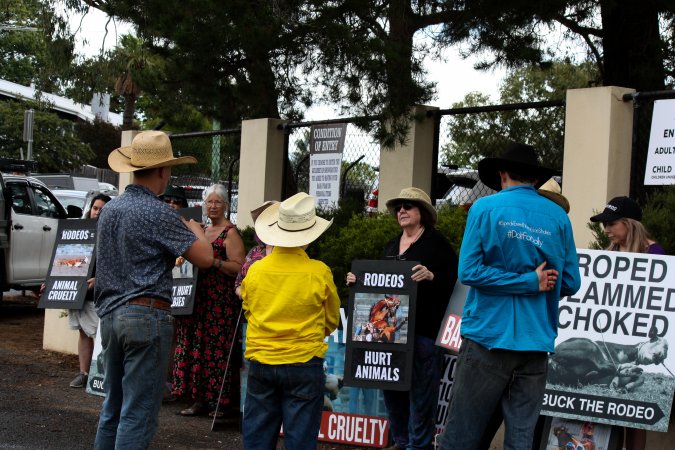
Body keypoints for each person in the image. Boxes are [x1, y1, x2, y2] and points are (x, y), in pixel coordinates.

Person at [439, 142, 581, 450]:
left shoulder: (484, 208)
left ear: (502, 174)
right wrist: (537, 282)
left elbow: (470, 273)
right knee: (520, 439)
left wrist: (528, 281)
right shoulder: (558, 218)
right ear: (534, 179)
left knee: (461, 434)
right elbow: (570, 282)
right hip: (535, 343)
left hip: (488, 338)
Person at [93, 130, 214, 450]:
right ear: (163, 171)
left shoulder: (109, 210)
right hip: (146, 314)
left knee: (113, 408)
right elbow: (205, 258)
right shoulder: (160, 213)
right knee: (138, 412)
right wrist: (193, 228)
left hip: (110, 315)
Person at [347, 186, 458, 450]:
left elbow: (454, 282)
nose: (402, 211)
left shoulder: (437, 244)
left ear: (422, 213)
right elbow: (379, 285)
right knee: (391, 386)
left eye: (408, 206)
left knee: (421, 394)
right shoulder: (391, 244)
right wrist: (357, 281)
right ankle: (401, 441)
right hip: (391, 336)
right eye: (399, 208)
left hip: (424, 332)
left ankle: (419, 445)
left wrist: (432, 276)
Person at [240, 192, 340, 450]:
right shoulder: (319, 272)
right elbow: (331, 320)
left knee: (258, 438)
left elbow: (249, 311)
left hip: (262, 361)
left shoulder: (256, 270)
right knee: (300, 440)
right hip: (304, 362)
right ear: (308, 237)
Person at [590, 196, 665, 450]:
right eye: (604, 225)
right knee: (609, 418)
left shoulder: (654, 252)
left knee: (635, 416)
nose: (606, 230)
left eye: (612, 224)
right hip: (613, 340)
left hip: (637, 337)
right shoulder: (608, 255)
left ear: (629, 224)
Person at [172, 184, 245, 417]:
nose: (213, 206)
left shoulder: (230, 233)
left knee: (218, 350)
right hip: (196, 299)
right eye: (209, 202)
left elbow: (239, 268)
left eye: (218, 202)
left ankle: (221, 402)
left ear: (226, 206)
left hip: (219, 302)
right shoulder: (201, 230)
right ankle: (198, 399)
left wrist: (213, 262)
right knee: (196, 348)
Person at [67, 193, 112, 389]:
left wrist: (101, 279)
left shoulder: (112, 233)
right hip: (77, 293)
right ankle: (84, 373)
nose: (97, 212)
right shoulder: (79, 230)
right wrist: (50, 282)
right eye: (95, 208)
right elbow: (64, 260)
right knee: (83, 333)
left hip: (98, 294)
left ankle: (102, 377)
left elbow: (116, 264)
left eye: (102, 209)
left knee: (99, 335)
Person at [233, 200, 277, 299]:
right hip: (251, 307)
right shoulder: (255, 251)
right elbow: (238, 282)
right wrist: (242, 293)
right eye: (265, 220)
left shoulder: (288, 250)